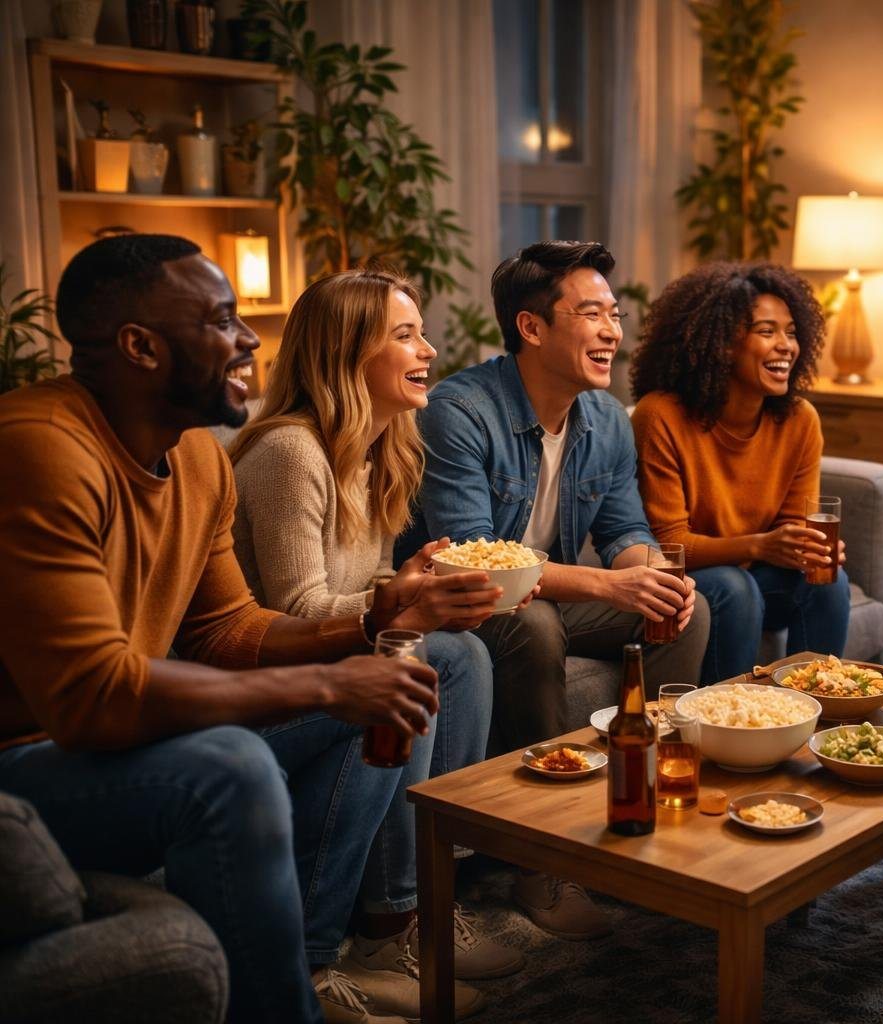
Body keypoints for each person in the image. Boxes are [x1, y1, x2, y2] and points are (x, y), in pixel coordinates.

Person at [0, 234, 479, 1024]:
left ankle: (355, 941)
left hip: (107, 744)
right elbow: (90, 696)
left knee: (404, 670)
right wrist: (330, 680)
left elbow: (229, 630)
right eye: (223, 321)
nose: (252, 339)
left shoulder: (197, 458)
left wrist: (376, 619)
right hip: (29, 763)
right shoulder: (41, 450)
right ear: (141, 346)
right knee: (227, 765)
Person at [229, 267, 524, 1015]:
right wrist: (401, 602)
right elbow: (293, 612)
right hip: (258, 694)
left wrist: (412, 579)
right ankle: (316, 962)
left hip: (323, 665)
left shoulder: (379, 449)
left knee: (461, 653)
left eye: (420, 331)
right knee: (413, 663)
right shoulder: (290, 453)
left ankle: (400, 920)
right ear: (344, 354)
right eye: (404, 335)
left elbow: (361, 579)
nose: (428, 349)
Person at [401, 240, 707, 940]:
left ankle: (644, 813)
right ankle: (541, 862)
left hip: (550, 590)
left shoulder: (604, 418)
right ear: (532, 328)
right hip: (467, 601)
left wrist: (656, 576)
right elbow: (475, 563)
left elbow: (626, 526)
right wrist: (613, 582)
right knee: (535, 627)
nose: (612, 331)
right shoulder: (460, 409)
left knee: (688, 614)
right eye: (591, 314)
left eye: (614, 313)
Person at [628, 262, 849, 682]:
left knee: (829, 582)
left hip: (754, 573)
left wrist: (804, 549)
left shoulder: (800, 420)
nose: (786, 345)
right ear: (721, 344)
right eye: (766, 331)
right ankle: (735, 727)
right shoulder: (660, 416)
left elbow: (789, 529)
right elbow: (668, 544)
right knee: (734, 587)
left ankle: (819, 713)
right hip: (689, 583)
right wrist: (762, 546)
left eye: (791, 332)